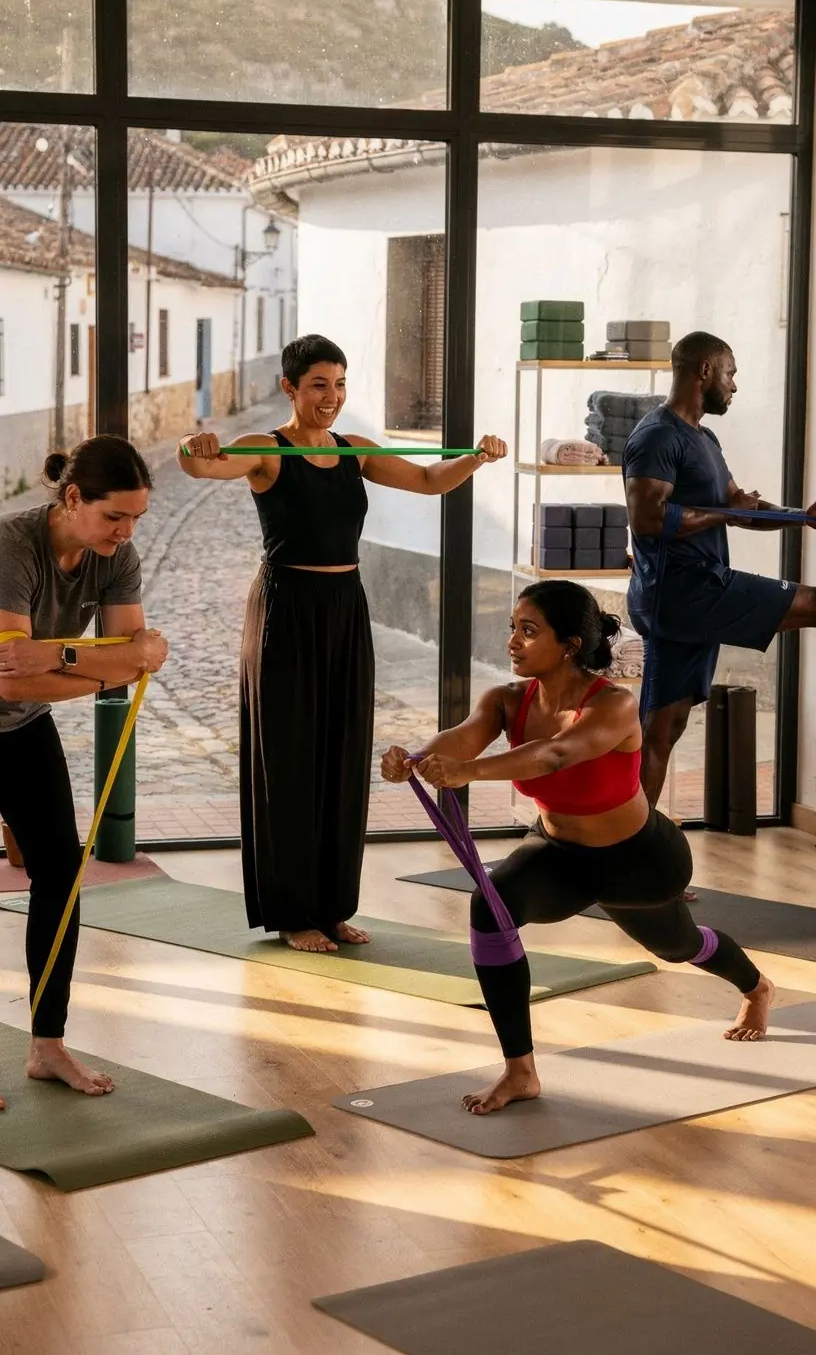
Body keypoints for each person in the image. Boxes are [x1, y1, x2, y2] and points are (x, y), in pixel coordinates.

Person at [382, 580, 774, 1116]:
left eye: (528, 630)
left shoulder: (615, 704)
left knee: (677, 946)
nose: (513, 641)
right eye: (511, 628)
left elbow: (556, 755)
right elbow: (464, 736)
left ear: (568, 644)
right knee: (490, 907)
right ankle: (521, 1071)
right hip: (558, 855)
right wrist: (419, 757)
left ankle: (755, 988)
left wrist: (467, 773)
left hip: (639, 860)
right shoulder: (506, 700)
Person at [177, 332, 506, 955]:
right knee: (291, 757)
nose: (332, 396)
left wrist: (478, 459)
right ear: (290, 388)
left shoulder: (355, 450)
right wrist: (189, 448)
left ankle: (331, 906)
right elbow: (203, 466)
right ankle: (293, 911)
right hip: (285, 611)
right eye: (320, 384)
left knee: (342, 752)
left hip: (345, 609)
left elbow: (433, 479)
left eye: (340, 384)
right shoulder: (266, 451)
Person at [0, 435, 168, 1107]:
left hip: (20, 734)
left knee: (61, 878)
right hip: (13, 711)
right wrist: (109, 660)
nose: (126, 534)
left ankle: (47, 1045)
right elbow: (13, 681)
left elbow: (136, 662)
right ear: (73, 499)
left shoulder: (115, 556)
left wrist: (57, 656)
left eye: (136, 520)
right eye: (113, 517)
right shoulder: (13, 547)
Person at [623, 329, 816, 810]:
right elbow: (648, 519)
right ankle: (628, 850)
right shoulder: (657, 436)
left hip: (688, 591)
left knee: (663, 727)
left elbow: (737, 504)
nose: (733, 385)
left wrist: (801, 518)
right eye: (730, 373)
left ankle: (628, 852)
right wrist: (728, 514)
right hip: (684, 590)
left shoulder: (702, 437)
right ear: (704, 371)